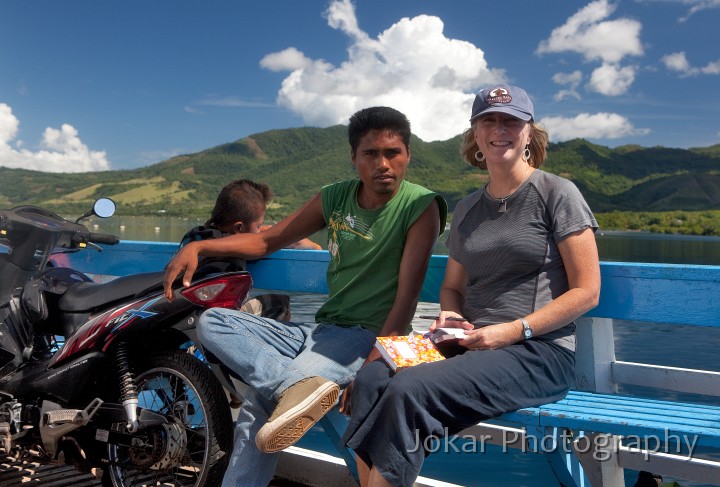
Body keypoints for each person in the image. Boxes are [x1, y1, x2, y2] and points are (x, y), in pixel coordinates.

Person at [163, 106, 448, 487]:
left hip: (364, 337)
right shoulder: (335, 197)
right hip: (319, 331)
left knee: (257, 412)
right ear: (353, 158)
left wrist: (373, 365)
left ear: (408, 155)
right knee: (214, 321)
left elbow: (407, 299)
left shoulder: (420, 206)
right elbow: (267, 239)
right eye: (370, 153)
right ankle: (295, 388)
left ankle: (293, 390)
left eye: (393, 152)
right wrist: (201, 249)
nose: (383, 164)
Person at [342, 84, 601, 486]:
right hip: (473, 346)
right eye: (489, 120)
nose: (500, 129)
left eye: (511, 120)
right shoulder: (467, 210)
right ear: (475, 134)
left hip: (538, 352)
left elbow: (587, 291)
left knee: (408, 389)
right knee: (370, 380)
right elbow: (452, 289)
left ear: (529, 131)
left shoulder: (557, 194)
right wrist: (450, 315)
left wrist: (514, 330)